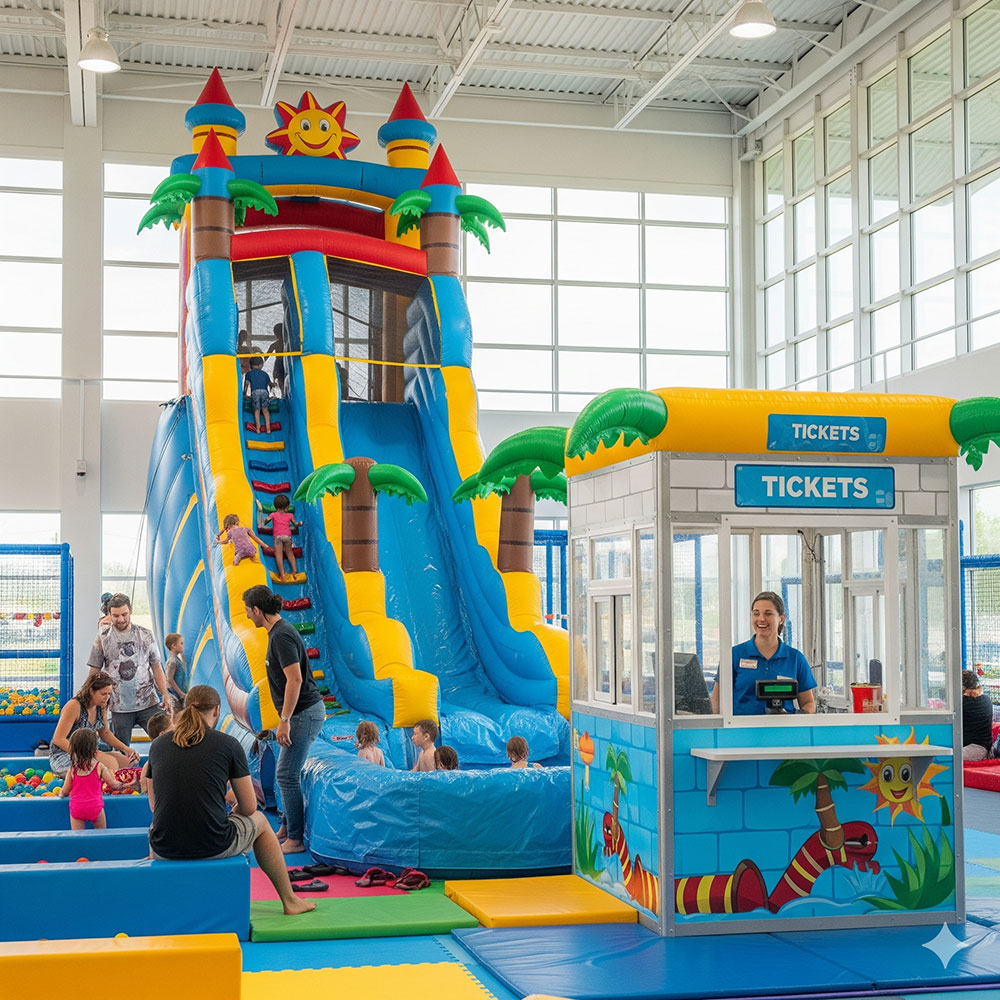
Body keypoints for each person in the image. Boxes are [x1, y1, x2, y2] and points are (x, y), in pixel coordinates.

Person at [146, 685, 314, 916]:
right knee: (261, 821)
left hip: (164, 847)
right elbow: (250, 806)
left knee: (157, 824)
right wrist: (232, 812)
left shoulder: (157, 746)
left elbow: (154, 806)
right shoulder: (228, 744)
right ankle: (289, 900)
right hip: (213, 844)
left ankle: (161, 898)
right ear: (216, 711)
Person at [242, 585, 325, 854]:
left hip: (303, 712)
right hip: (299, 713)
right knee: (285, 773)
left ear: (257, 610)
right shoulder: (277, 633)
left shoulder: (281, 635)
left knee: (286, 775)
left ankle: (296, 839)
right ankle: (287, 828)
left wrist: (285, 719)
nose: (247, 616)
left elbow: (295, 679)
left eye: (248, 611)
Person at [711, 590, 817, 716]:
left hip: (783, 727)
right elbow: (717, 700)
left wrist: (802, 719)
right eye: (756, 614)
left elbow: (808, 703)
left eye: (768, 613)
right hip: (741, 727)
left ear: (781, 618)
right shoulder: (733, 655)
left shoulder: (796, 659)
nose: (761, 619)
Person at [88, 594, 174, 745]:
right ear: (109, 614)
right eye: (116, 616)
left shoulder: (145, 635)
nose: (120, 619)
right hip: (119, 705)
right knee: (122, 747)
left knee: (165, 741)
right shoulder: (103, 637)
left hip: (148, 701)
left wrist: (165, 694)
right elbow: (95, 670)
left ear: (131, 611)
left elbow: (156, 666)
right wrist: (88, 696)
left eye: (124, 614)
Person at [50, 672, 139, 777]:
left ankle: (117, 781)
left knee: (127, 761)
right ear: (91, 691)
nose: (107, 697)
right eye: (103, 694)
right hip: (66, 755)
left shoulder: (101, 706)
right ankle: (111, 785)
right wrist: (88, 754)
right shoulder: (74, 706)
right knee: (111, 763)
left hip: (89, 753)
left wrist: (126, 749)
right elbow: (58, 739)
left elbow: (105, 733)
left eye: (109, 694)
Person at [57, 729, 130, 829]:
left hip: (77, 807)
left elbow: (65, 791)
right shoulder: (99, 767)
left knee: (77, 835)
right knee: (101, 833)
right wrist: (127, 784)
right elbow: (114, 784)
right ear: (95, 748)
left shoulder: (72, 770)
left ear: (74, 749)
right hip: (94, 806)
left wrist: (60, 794)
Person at [265, 495, 302, 582]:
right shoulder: (290, 515)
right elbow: (295, 524)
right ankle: (294, 571)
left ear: (275, 507)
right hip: (287, 537)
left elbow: (266, 521)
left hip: (278, 537)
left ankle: (282, 574)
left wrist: (264, 520)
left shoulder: (273, 514)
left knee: (279, 555)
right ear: (287, 507)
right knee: (290, 553)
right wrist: (299, 524)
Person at [962, 670, 994, 761]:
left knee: (942, 758)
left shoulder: (963, 703)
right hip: (982, 747)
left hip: (976, 749)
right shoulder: (986, 699)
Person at [244, 356, 273, 434]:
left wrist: (244, 394)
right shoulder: (265, 374)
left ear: (251, 365)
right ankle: (268, 429)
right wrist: (273, 386)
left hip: (255, 392)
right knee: (265, 411)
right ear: (261, 365)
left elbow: (246, 384)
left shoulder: (249, 374)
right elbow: (270, 384)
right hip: (264, 392)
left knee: (257, 410)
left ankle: (258, 429)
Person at [164, 633, 188, 712]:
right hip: (174, 694)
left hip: (178, 693)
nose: (183, 646)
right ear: (174, 646)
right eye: (181, 643)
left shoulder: (177, 659)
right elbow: (169, 679)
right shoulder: (172, 661)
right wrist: (180, 693)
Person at [268, 323, 286, 398]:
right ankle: (284, 394)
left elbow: (267, 355)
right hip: (285, 363)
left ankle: (283, 393)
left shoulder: (276, 344)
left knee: (280, 379)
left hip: (279, 363)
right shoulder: (286, 344)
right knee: (283, 379)